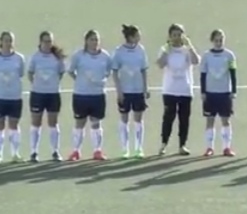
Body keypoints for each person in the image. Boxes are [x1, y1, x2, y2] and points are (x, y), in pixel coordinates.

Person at [68, 29, 113, 161]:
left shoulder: (105, 56)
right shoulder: (79, 55)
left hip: (97, 95)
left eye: (96, 40)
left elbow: (109, 71)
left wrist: (102, 80)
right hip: (81, 95)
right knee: (79, 123)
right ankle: (76, 151)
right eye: (92, 39)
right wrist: (80, 81)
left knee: (96, 123)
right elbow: (71, 71)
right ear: (86, 41)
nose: (94, 42)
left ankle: (97, 151)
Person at [158, 24, 200, 156]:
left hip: (185, 90)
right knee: (168, 118)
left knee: (184, 119)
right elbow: (160, 64)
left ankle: (182, 145)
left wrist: (190, 46)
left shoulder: (187, 50)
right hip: (170, 90)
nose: (176, 38)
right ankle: (163, 144)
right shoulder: (165, 49)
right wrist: (167, 49)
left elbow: (196, 61)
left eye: (179, 35)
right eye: (174, 35)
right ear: (170, 36)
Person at [112, 24, 150, 160]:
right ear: (130, 37)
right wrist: (119, 91)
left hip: (138, 91)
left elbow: (144, 70)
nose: (140, 37)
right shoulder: (119, 51)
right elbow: (115, 71)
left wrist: (145, 88)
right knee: (124, 119)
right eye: (137, 35)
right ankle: (125, 149)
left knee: (138, 120)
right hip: (125, 91)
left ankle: (139, 148)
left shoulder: (141, 50)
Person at [28, 31, 66, 163]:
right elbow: (30, 72)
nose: (47, 44)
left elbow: (61, 73)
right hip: (37, 94)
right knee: (36, 122)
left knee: (53, 123)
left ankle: (55, 151)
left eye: (50, 41)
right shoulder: (35, 57)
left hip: (53, 94)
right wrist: (37, 85)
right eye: (45, 41)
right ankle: (33, 152)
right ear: (40, 42)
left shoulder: (57, 58)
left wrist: (53, 85)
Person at [0, 31, 26, 164]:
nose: (8, 43)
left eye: (10, 40)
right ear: (1, 42)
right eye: (6, 40)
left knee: (14, 125)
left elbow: (21, 74)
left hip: (15, 97)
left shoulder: (19, 58)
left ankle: (15, 153)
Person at [200, 29, 237, 157]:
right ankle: (209, 148)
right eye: (216, 40)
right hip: (210, 93)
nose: (218, 43)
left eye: (221, 40)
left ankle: (226, 147)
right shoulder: (206, 56)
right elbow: (203, 74)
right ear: (212, 41)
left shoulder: (229, 55)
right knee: (210, 120)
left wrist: (234, 91)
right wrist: (203, 92)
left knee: (225, 121)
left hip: (224, 92)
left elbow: (233, 73)